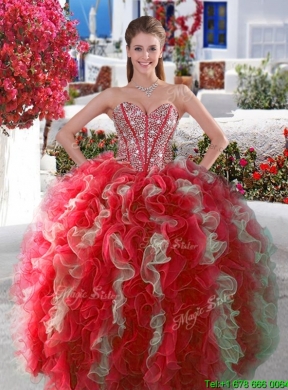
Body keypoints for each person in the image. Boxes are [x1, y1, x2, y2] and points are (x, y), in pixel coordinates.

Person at [10, 16, 279, 390]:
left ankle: (167, 366)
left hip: (169, 196)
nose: (145, 55)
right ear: (128, 50)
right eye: (139, 48)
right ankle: (123, 368)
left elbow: (218, 140)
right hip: (120, 193)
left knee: (173, 284)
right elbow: (66, 133)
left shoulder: (180, 95)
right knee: (114, 281)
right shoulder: (112, 97)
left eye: (152, 48)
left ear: (161, 50)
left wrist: (196, 178)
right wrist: (93, 174)